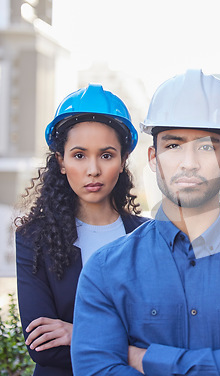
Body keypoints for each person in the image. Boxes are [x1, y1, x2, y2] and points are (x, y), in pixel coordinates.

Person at [71, 69, 220, 376]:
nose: (189, 162)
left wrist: (149, 360)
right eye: (173, 146)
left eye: (206, 147)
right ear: (153, 158)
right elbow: (96, 371)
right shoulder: (105, 270)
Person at [14, 84, 148, 376]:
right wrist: (131, 349)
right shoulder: (33, 238)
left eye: (106, 155)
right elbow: (43, 348)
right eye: (79, 155)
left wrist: (77, 333)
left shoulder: (149, 237)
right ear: (60, 161)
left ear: (123, 160)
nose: (93, 170)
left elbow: (162, 336)